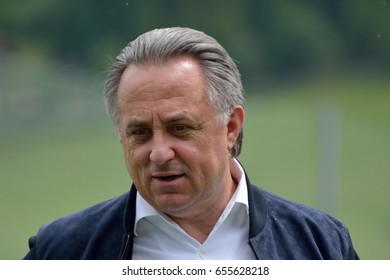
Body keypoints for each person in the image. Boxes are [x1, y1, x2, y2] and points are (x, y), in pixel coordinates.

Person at [24, 27, 359, 260]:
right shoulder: (63, 251)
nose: (158, 153)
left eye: (180, 128)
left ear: (231, 126)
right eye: (139, 132)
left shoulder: (320, 245)